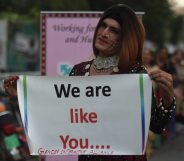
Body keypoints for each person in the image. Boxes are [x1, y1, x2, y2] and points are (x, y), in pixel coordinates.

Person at [3, 4, 176, 161]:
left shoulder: (134, 74)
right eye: (103, 25)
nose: (104, 33)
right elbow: (59, 114)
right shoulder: (79, 71)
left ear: (126, 38)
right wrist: (24, 96)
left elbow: (157, 125)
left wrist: (168, 98)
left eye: (114, 30)